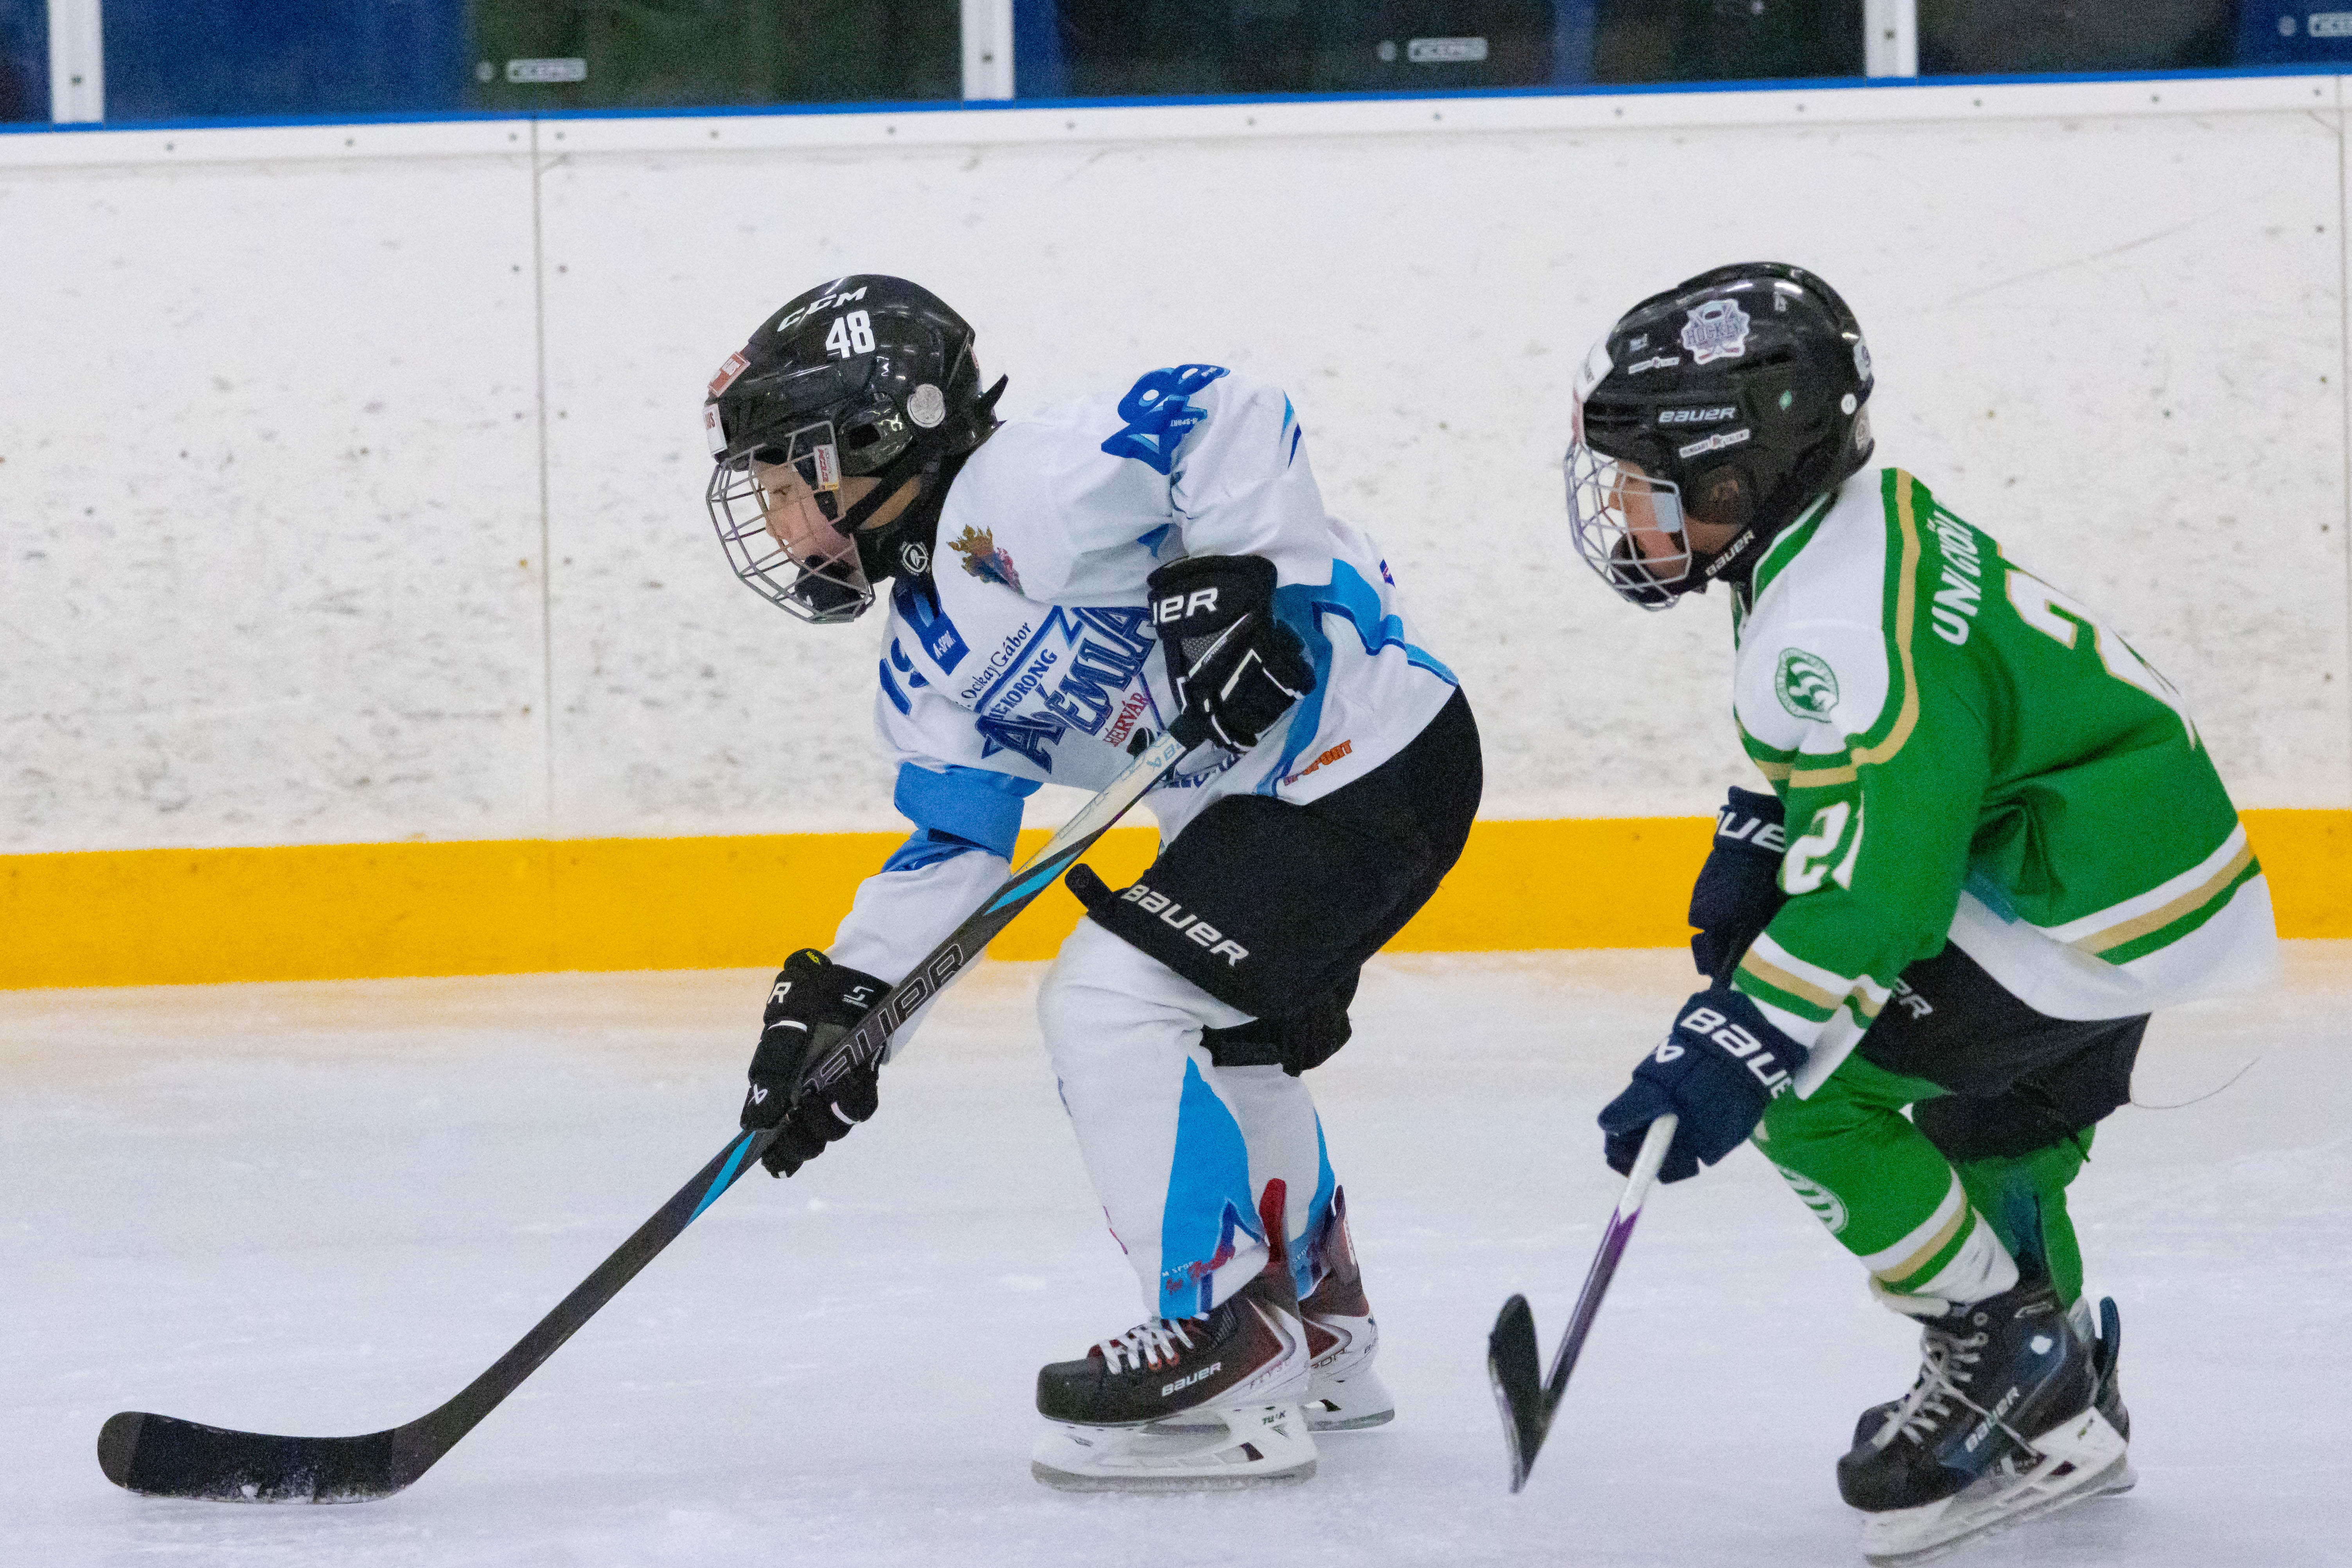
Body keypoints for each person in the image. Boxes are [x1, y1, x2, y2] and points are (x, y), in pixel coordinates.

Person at [700, 275, 1481, 1489]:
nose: (782, 518)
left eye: (790, 480)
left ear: (884, 435)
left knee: (1105, 1000)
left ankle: (1222, 1331)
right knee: (1227, 1040)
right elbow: (955, 848)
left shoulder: (1026, 488)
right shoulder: (924, 656)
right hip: (1281, 804)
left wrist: (1249, 581)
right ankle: (1317, 1327)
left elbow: (1230, 410)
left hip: (1364, 753)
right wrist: (852, 1007)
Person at [1558, 262, 2277, 1560]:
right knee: (1993, 1122)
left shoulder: (1835, 620)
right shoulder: (1849, 525)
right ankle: (2064, 1404)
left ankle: (2007, 1353)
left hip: (2081, 910)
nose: (1623, 509)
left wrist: (1738, 1037)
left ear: (1736, 477)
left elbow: (1881, 893)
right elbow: (1870, 752)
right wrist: (1758, 838)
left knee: (1803, 1092)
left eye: (1645, 480)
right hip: (2123, 860)